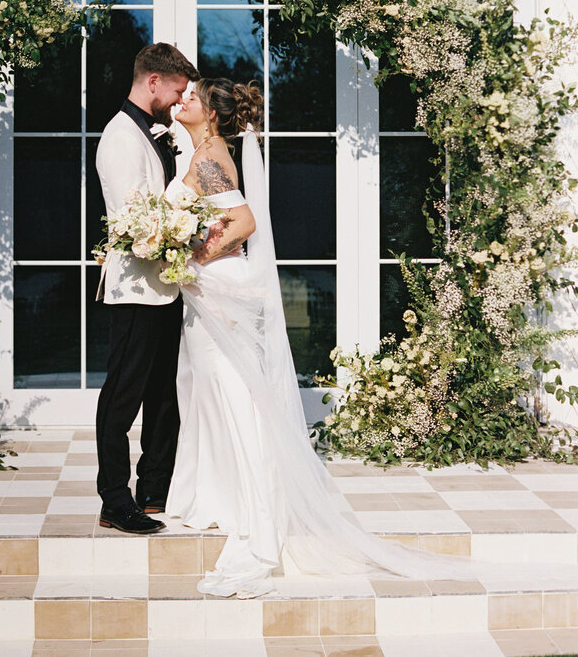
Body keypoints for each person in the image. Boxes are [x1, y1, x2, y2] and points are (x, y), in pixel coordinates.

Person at [165, 77, 478, 596]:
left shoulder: (210, 157)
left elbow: (242, 222)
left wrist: (194, 254)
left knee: (234, 394)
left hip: (219, 288)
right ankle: (219, 493)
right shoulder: (201, 150)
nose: (182, 101)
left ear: (212, 115)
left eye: (191, 97)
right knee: (212, 392)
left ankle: (254, 509)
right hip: (209, 292)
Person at [95, 42, 199, 534]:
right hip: (136, 287)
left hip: (166, 286)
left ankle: (153, 489)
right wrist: (183, 230)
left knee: (164, 395)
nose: (179, 102)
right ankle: (115, 500)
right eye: (176, 91)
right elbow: (132, 221)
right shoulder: (119, 137)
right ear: (152, 81)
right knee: (123, 397)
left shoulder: (158, 131)